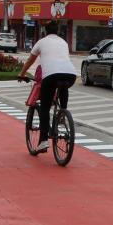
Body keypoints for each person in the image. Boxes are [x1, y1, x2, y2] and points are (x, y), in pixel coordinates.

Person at [18, 21, 76, 153]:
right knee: (63, 86)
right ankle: (63, 112)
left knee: (44, 108)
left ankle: (43, 141)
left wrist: (21, 74)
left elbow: (30, 61)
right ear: (58, 31)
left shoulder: (41, 42)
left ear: (45, 31)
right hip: (71, 74)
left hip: (51, 76)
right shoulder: (64, 43)